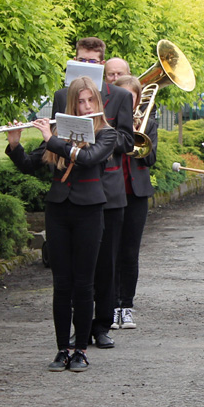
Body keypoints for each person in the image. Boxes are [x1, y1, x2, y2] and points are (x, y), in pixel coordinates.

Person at [6, 76, 117, 372]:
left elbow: (88, 157)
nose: (84, 107)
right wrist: (15, 145)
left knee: (83, 284)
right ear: (71, 104)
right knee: (61, 285)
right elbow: (31, 165)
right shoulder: (58, 131)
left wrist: (52, 139)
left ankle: (81, 349)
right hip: (58, 210)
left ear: (97, 102)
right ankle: (61, 350)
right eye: (79, 102)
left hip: (90, 211)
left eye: (90, 101)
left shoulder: (107, 133)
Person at [52, 37, 135, 349]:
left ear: (102, 64)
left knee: (105, 264)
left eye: (91, 62)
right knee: (75, 267)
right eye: (80, 60)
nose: (85, 66)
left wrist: (101, 135)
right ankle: (79, 328)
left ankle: (101, 325)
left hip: (108, 188)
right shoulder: (63, 95)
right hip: (74, 187)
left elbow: (128, 140)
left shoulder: (120, 97)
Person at [111, 74, 158, 331]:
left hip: (137, 193)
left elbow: (150, 160)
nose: (129, 102)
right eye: (124, 97)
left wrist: (139, 135)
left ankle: (126, 306)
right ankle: (110, 305)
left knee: (130, 252)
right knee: (111, 251)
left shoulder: (147, 122)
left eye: (133, 98)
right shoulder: (108, 122)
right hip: (112, 192)